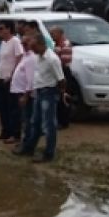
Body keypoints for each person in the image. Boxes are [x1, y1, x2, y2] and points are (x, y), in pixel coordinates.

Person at [14, 34, 66, 162]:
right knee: (35, 122)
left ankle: (49, 153)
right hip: (39, 91)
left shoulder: (52, 59)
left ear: (42, 45)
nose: (33, 50)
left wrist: (61, 93)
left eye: (34, 47)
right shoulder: (38, 56)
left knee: (48, 124)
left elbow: (61, 79)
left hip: (49, 91)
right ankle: (29, 148)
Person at [0, 20, 24, 141]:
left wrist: (13, 75)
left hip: (10, 79)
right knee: (2, 107)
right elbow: (2, 61)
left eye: (1, 28)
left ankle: (15, 134)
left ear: (8, 29)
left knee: (13, 107)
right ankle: (5, 131)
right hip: (1, 78)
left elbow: (20, 57)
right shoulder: (3, 43)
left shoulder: (15, 41)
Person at [8, 35, 37, 144]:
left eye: (25, 43)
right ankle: (21, 139)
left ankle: (26, 142)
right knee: (17, 116)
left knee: (26, 119)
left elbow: (31, 80)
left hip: (22, 93)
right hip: (16, 90)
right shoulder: (25, 56)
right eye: (22, 43)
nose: (24, 45)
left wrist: (25, 96)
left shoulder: (31, 58)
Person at [49, 26, 73, 129]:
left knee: (63, 96)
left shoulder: (65, 44)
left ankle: (64, 121)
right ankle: (60, 120)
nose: (51, 36)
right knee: (59, 97)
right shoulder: (57, 44)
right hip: (59, 71)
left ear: (59, 33)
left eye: (52, 33)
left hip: (63, 72)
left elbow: (65, 60)